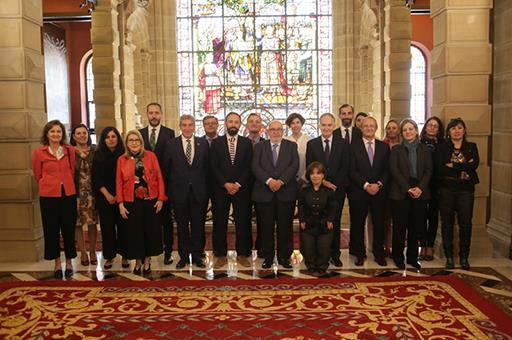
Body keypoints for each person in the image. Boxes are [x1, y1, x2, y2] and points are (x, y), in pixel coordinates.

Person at [116, 130, 166, 275]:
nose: (134, 142)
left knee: (150, 231)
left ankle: (147, 260)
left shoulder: (150, 156)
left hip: (150, 200)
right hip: (131, 201)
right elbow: (118, 182)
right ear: (126, 143)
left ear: (141, 142)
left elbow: (159, 178)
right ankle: (138, 260)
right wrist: (120, 203)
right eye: (130, 140)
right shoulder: (122, 159)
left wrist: (161, 199)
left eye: (136, 140)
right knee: (135, 233)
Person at [163, 115, 209, 269]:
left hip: (199, 192)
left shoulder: (203, 144)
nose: (188, 128)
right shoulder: (171, 144)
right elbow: (166, 170)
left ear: (195, 127)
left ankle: (197, 255)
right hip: (179, 193)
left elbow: (207, 169)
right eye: (184, 125)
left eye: (190, 125)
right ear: (180, 126)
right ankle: (183, 256)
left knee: (198, 226)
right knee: (182, 227)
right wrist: (171, 191)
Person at [32, 120, 77, 279]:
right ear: (47, 134)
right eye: (52, 132)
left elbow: (72, 171)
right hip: (49, 196)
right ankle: (57, 263)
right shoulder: (39, 153)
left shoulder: (69, 151)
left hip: (68, 195)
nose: (56, 134)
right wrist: (50, 184)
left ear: (63, 134)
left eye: (59, 131)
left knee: (68, 229)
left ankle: (70, 262)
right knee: (51, 230)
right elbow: (38, 175)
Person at [252, 120, 299, 269]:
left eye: (279, 129)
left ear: (283, 131)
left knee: (285, 227)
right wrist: (269, 181)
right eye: (273, 129)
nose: (276, 132)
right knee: (265, 227)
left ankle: (284, 257)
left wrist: (281, 181)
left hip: (286, 193)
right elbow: (255, 166)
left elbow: (294, 165)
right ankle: (268, 257)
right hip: (264, 193)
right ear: (267, 131)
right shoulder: (259, 147)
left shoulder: (291, 146)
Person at [210, 112, 253, 268]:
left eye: (236, 122)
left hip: (241, 189)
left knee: (242, 222)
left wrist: (238, 184)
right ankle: (220, 255)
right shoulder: (216, 143)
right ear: (226, 124)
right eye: (230, 121)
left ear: (240, 125)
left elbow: (249, 166)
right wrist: (225, 184)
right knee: (220, 223)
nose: (233, 124)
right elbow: (213, 166)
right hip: (221, 189)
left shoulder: (247, 143)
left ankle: (242, 253)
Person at [305, 113, 349, 267]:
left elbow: (345, 166)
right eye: (323, 125)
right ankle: (319, 254)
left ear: (334, 126)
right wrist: (323, 182)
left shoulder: (343, 144)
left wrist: (333, 184)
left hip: (337, 189)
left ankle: (335, 255)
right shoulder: (312, 144)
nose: (326, 128)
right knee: (319, 221)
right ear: (319, 126)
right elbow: (309, 168)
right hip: (318, 189)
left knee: (334, 222)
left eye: (329, 125)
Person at [389, 119, 432, 270]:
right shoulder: (396, 150)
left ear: (416, 131)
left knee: (416, 227)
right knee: (400, 228)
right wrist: (408, 188)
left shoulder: (425, 150)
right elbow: (395, 171)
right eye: (405, 130)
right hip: (401, 193)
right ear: (401, 133)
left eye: (411, 129)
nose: (408, 132)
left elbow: (428, 171)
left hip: (420, 193)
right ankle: (398, 257)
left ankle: (413, 258)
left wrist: (420, 188)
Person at [437, 117, 479, 270]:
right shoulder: (442, 147)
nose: (457, 131)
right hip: (446, 190)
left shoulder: (471, 146)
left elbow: (474, 166)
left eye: (460, 128)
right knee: (447, 224)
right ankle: (449, 257)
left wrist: (453, 165)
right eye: (453, 128)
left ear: (464, 130)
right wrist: (463, 166)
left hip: (466, 191)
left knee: (465, 224)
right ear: (448, 131)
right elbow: (440, 168)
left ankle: (464, 257)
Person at [348, 116, 390, 267]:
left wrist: (378, 184)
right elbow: (351, 170)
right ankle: (360, 254)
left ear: (376, 127)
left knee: (379, 223)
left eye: (372, 126)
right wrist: (366, 185)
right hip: (359, 191)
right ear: (361, 128)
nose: (369, 128)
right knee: (358, 224)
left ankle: (378, 253)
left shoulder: (384, 147)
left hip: (379, 192)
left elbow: (387, 170)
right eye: (366, 126)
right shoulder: (353, 146)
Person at [139, 102, 176, 265]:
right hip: (143, 187)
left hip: (165, 184)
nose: (154, 116)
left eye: (156, 113)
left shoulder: (169, 133)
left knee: (166, 220)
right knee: (146, 220)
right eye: (151, 113)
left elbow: (172, 159)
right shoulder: (140, 134)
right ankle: (147, 250)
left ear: (161, 114)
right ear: (147, 114)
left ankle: (168, 251)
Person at [92, 126, 126, 270]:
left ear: (118, 138)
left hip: (123, 197)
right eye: (107, 137)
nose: (111, 139)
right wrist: (107, 195)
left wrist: (119, 195)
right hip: (104, 197)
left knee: (124, 228)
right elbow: (96, 177)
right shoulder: (98, 155)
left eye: (113, 136)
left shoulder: (124, 154)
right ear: (103, 139)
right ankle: (109, 257)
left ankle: (125, 255)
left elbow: (127, 177)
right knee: (107, 229)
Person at [298, 162, 336, 274]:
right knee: (309, 247)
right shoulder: (304, 189)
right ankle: (311, 265)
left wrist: (330, 220)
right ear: (309, 175)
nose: (315, 176)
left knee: (323, 247)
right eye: (312, 173)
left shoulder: (329, 190)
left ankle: (322, 265)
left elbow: (333, 207)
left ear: (323, 175)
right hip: (309, 223)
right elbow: (301, 206)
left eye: (318, 173)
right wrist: (302, 220)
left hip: (324, 223)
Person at [70, 124, 98, 268]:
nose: (82, 135)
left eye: (84, 133)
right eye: (78, 133)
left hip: (92, 193)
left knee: (92, 223)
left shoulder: (95, 150)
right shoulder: (69, 152)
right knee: (78, 224)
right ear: (74, 136)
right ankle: (83, 252)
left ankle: (92, 251)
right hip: (76, 192)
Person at [419, 116, 445, 261]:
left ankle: (430, 246)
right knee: (421, 217)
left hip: (437, 185)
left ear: (439, 129)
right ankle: (422, 245)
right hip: (422, 184)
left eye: (435, 126)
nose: (432, 128)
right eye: (430, 125)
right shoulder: (419, 142)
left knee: (433, 217)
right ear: (425, 127)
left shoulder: (443, 144)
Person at [382, 119, 402, 256]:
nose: (391, 130)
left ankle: (397, 247)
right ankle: (386, 246)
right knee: (386, 219)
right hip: (386, 186)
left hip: (401, 186)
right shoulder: (382, 145)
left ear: (398, 130)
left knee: (399, 219)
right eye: (389, 128)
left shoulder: (403, 145)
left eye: (394, 128)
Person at [284, 113, 310, 186]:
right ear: (289, 125)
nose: (295, 125)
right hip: (288, 180)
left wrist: (304, 178)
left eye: (298, 122)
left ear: (301, 124)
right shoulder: (285, 140)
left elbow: (311, 161)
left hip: (306, 179)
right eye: (292, 123)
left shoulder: (309, 140)